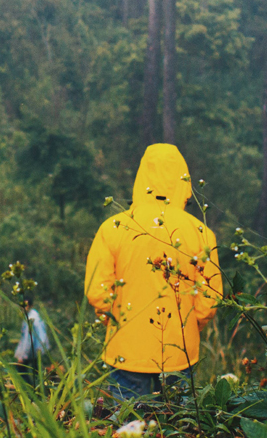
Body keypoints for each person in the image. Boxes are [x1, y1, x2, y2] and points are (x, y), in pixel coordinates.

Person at [85, 144, 222, 399]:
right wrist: (192, 326)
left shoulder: (113, 227)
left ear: (141, 178)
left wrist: (113, 321)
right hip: (179, 352)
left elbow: (98, 291)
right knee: (178, 425)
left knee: (128, 426)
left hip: (126, 351)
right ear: (185, 181)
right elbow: (209, 301)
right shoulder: (201, 232)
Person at [14, 295, 50, 385]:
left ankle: (31, 389)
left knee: (21, 369)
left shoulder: (29, 319)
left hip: (33, 349)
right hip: (39, 349)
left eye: (25, 305)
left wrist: (22, 356)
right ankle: (40, 391)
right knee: (37, 372)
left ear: (30, 306)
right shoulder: (36, 315)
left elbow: (28, 339)